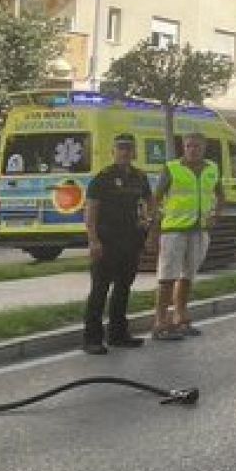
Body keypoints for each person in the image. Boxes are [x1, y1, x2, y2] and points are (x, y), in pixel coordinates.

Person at [82, 134, 152, 354]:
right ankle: (92, 339)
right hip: (106, 240)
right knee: (100, 290)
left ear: (135, 153)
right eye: (120, 149)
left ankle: (118, 333)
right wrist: (93, 240)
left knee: (123, 288)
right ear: (113, 152)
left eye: (129, 149)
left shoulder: (140, 177)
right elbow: (91, 211)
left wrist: (150, 230)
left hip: (130, 240)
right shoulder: (102, 178)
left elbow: (150, 205)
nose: (125, 153)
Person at [151, 132, 225, 340]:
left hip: (199, 231)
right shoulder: (172, 168)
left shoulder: (212, 169)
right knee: (167, 277)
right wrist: (154, 224)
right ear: (183, 147)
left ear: (204, 148)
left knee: (187, 277)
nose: (192, 150)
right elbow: (155, 198)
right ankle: (160, 321)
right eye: (188, 146)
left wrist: (216, 215)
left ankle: (181, 318)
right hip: (174, 230)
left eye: (196, 147)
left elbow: (220, 195)